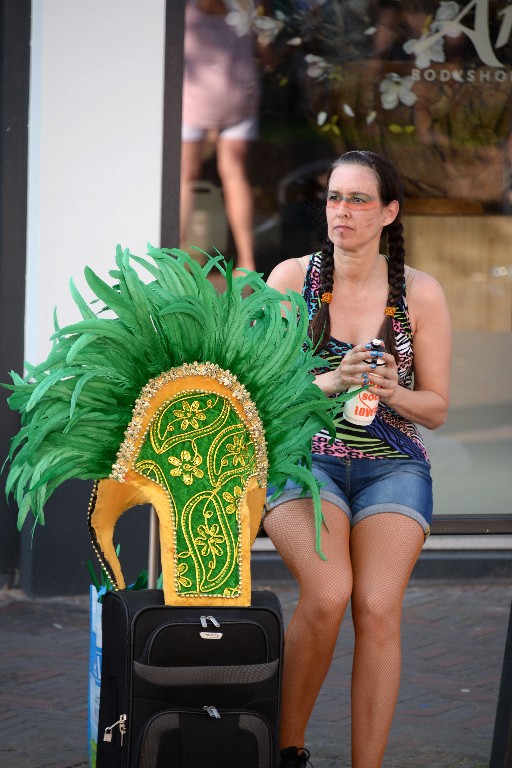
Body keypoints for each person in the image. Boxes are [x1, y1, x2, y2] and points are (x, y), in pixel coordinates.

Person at [263, 150, 451, 768]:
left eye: (358, 200)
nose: (341, 212)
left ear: (389, 212)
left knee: (376, 606)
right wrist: (332, 381)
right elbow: (261, 397)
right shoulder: (293, 280)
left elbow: (438, 408)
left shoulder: (421, 293)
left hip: (392, 462)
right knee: (327, 592)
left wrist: (396, 392)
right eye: (334, 198)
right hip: (305, 457)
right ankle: (288, 751)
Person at [180, 0, 260, 271]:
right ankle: (247, 261)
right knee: (234, 172)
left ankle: (171, 260)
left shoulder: (188, 7)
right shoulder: (248, 4)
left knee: (184, 177)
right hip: (238, 94)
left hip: (194, 98)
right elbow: (265, 48)